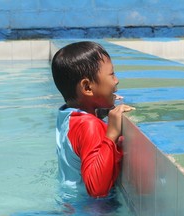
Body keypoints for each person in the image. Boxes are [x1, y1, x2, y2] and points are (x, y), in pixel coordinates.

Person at [52, 41, 135, 198]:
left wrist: (100, 110)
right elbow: (96, 189)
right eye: (112, 74)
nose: (116, 80)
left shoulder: (67, 115)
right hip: (91, 214)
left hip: (69, 202)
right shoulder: (90, 125)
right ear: (88, 87)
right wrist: (111, 135)